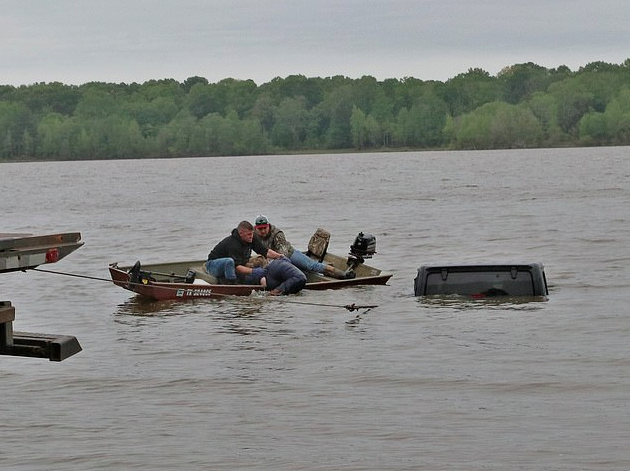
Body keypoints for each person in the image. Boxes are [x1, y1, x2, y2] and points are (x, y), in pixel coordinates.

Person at [253, 215, 354, 279]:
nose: (262, 231)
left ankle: (341, 273)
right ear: (255, 228)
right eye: (260, 229)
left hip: (289, 254)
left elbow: (283, 254)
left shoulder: (277, 234)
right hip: (272, 259)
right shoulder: (253, 235)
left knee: (311, 266)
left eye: (264, 228)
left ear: (268, 226)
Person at [206, 220, 282, 284]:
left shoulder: (251, 237)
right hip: (213, 265)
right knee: (229, 262)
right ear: (241, 234)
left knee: (260, 260)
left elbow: (265, 251)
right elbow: (237, 267)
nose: (251, 236)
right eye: (249, 234)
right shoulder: (233, 244)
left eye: (252, 233)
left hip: (237, 263)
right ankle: (232, 284)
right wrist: (253, 271)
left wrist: (280, 256)